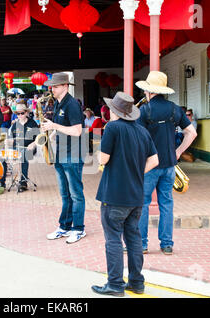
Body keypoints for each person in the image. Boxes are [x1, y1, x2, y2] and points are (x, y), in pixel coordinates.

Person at [91, 92, 159, 297]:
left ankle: (114, 284)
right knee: (134, 239)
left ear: (116, 112)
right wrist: (137, 172)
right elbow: (154, 160)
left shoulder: (112, 128)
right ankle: (137, 283)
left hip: (114, 194)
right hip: (136, 194)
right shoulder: (142, 131)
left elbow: (103, 159)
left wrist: (96, 153)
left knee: (113, 239)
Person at [136, 71, 197, 255]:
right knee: (166, 203)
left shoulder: (144, 111)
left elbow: (137, 139)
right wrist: (178, 152)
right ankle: (167, 244)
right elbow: (191, 133)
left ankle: (142, 244)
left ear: (149, 91)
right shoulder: (175, 109)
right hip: (170, 165)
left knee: (143, 203)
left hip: (149, 165)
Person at [42, 72, 86, 244]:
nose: (52, 89)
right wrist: (51, 133)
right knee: (65, 194)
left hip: (73, 155)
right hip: (61, 154)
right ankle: (64, 226)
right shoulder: (59, 104)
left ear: (66, 87)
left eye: (56, 86)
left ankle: (79, 228)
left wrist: (54, 125)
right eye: (52, 86)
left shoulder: (72, 104)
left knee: (76, 194)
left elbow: (77, 131)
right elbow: (64, 127)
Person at [5, 103, 38, 191]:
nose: (20, 115)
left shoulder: (32, 123)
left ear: (26, 113)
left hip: (29, 148)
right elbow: (11, 139)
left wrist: (33, 144)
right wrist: (8, 142)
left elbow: (39, 138)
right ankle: (1, 182)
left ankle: (23, 183)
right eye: (18, 114)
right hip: (17, 148)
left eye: (22, 113)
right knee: (2, 155)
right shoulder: (15, 125)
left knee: (24, 156)